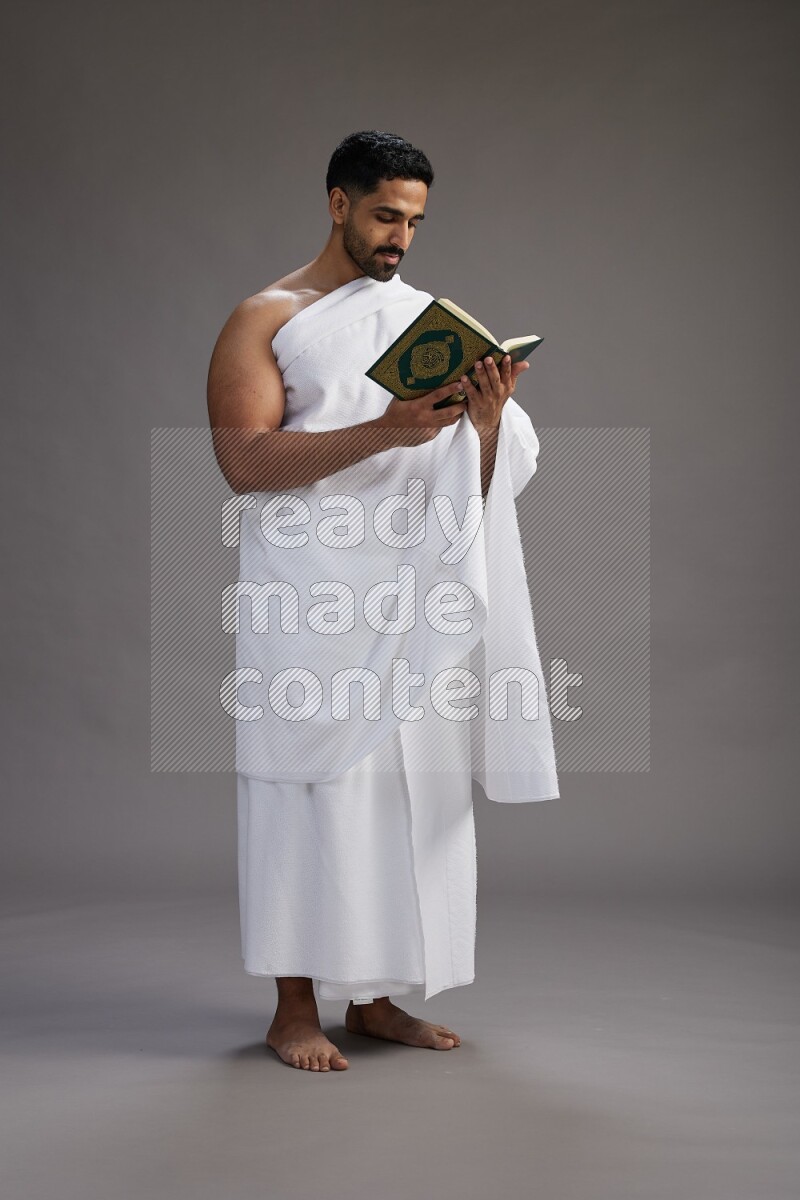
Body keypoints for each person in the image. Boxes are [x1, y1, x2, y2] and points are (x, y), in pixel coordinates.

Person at [207, 130, 557, 1072]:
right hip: (308, 591)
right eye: (385, 215)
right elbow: (244, 463)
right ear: (337, 203)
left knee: (404, 786)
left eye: (415, 221)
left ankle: (374, 997)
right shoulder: (266, 318)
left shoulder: (428, 321)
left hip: (409, 591)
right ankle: (293, 1009)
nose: (401, 238)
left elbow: (482, 476)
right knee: (302, 784)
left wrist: (481, 426)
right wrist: (386, 430)